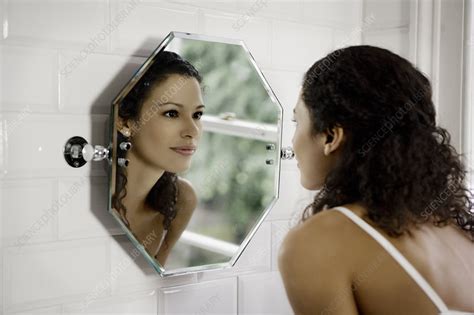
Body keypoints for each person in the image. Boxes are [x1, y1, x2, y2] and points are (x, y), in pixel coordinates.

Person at [278, 45, 474, 315]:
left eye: (296, 121)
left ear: (331, 137)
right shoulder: (454, 231)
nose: (292, 141)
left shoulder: (318, 242)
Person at [113, 51, 205, 266]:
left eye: (197, 115)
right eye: (172, 113)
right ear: (125, 121)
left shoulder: (181, 199)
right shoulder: (98, 201)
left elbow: (153, 280)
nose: (192, 131)